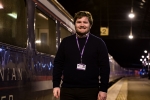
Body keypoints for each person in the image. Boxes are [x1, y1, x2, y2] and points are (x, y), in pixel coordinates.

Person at [53, 11, 110, 100]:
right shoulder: (66, 42)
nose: (82, 25)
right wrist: (56, 85)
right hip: (68, 90)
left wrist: (103, 89)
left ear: (90, 25)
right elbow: (58, 64)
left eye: (85, 22)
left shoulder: (99, 43)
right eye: (79, 22)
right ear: (75, 24)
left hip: (90, 90)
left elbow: (105, 67)